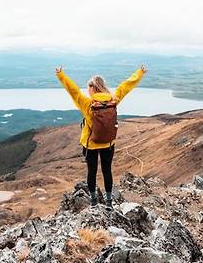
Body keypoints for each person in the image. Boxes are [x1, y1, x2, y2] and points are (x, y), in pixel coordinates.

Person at [55, 65, 147, 208]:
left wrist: (61, 75)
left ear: (92, 88)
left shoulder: (87, 104)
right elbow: (126, 86)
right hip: (108, 144)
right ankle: (109, 201)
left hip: (91, 144)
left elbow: (72, 90)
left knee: (91, 172)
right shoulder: (113, 100)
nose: (87, 91)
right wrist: (140, 73)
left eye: (88, 88)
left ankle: (93, 202)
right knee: (107, 171)